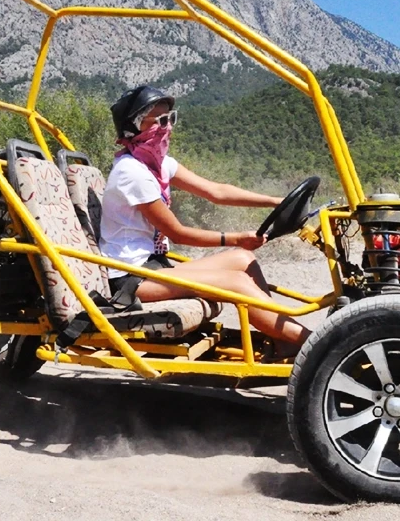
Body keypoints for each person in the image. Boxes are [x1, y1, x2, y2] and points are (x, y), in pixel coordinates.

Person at [99, 85, 311, 354]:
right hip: (132, 279)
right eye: (161, 121)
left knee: (243, 259)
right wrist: (235, 237)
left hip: (153, 267)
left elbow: (216, 191)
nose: (168, 128)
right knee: (237, 282)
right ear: (135, 127)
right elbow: (178, 234)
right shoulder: (131, 172)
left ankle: (284, 340)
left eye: (171, 118)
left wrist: (277, 201)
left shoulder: (159, 165)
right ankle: (314, 344)